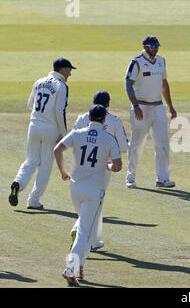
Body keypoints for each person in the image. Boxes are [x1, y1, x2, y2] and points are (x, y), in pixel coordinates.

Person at [54, 104, 122, 286]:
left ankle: (80, 265)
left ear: (90, 118)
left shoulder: (77, 133)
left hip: (75, 189)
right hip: (94, 191)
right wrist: (105, 166)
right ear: (104, 120)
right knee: (85, 232)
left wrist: (63, 171)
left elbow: (57, 150)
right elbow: (118, 166)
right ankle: (70, 268)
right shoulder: (109, 139)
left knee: (87, 229)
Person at [9, 58, 76, 210]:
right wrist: (64, 134)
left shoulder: (38, 82)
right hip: (50, 129)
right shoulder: (62, 86)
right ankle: (33, 200)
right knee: (45, 165)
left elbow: (30, 105)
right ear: (62, 70)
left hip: (34, 125)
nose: (70, 73)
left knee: (30, 161)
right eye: (69, 70)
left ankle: (18, 183)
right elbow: (60, 111)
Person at [70, 90, 129, 252]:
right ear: (108, 104)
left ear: (93, 102)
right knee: (95, 202)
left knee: (86, 201)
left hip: (80, 164)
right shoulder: (115, 120)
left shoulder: (83, 117)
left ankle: (88, 236)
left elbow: (72, 139)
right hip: (103, 167)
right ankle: (88, 238)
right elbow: (123, 147)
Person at [124, 35, 177, 189]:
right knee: (137, 144)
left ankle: (163, 178)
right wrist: (135, 106)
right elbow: (128, 84)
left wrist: (170, 107)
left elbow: (164, 84)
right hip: (141, 106)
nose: (155, 48)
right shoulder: (137, 62)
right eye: (152, 46)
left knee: (163, 144)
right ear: (145, 46)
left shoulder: (161, 61)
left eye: (156, 46)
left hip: (158, 107)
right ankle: (131, 177)